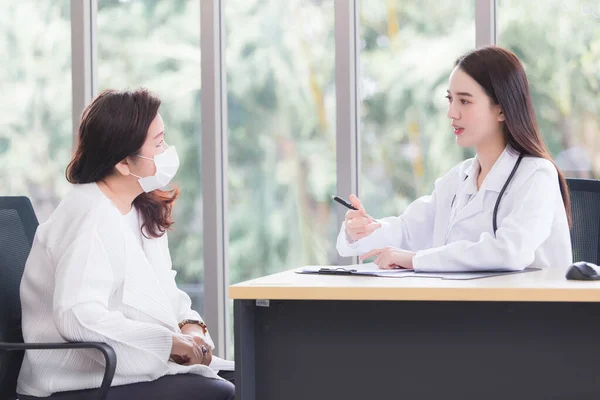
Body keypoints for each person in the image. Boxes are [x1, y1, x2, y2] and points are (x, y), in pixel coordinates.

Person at [17, 89, 235, 400]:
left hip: (129, 370)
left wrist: (190, 327)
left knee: (256, 378)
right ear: (123, 163)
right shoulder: (88, 215)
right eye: (158, 144)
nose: (167, 152)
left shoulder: (139, 208)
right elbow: (77, 315)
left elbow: (167, 293)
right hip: (76, 380)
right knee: (223, 391)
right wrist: (168, 343)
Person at [337, 46, 573, 272]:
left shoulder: (537, 174)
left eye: (465, 101)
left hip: (530, 310)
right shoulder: (459, 178)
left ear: (501, 109)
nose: (452, 113)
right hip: (468, 305)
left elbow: (510, 251)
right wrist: (363, 229)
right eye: (450, 99)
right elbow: (408, 230)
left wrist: (414, 259)